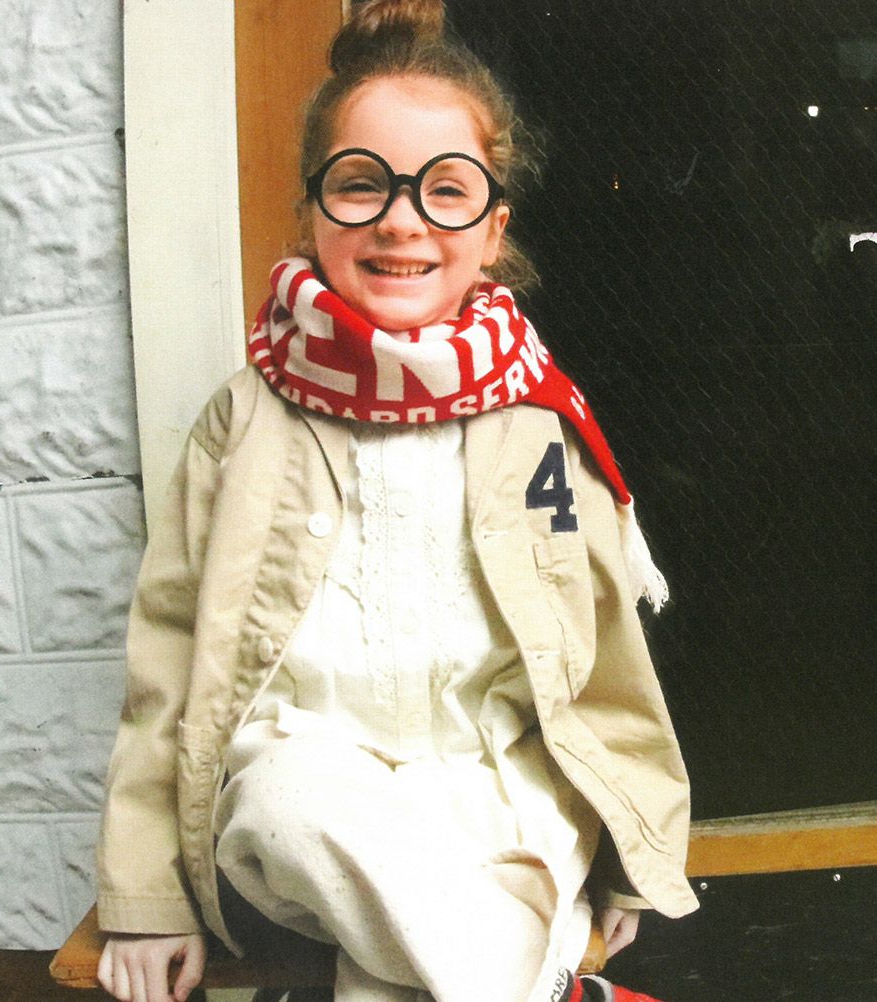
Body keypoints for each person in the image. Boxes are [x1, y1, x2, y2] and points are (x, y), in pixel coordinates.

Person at [95, 2, 698, 1001]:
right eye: (361, 184)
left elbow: (599, 653)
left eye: (445, 190)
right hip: (303, 789)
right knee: (296, 811)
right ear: (312, 211)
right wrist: (145, 894)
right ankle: (550, 988)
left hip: (496, 788)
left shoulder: (537, 424)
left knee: (399, 966)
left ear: (493, 231)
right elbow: (164, 665)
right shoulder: (245, 420)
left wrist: (636, 844)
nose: (401, 220)